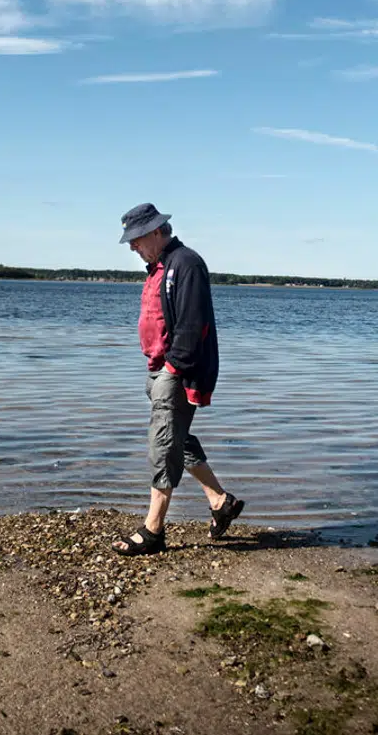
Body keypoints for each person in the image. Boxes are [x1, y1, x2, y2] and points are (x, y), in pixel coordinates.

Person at [111, 203, 244, 556]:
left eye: (136, 238)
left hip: (176, 371)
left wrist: (173, 369)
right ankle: (220, 501)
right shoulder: (157, 266)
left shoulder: (186, 263)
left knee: (162, 444)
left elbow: (192, 324)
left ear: (157, 231)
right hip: (158, 368)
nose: (131, 246)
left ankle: (153, 530)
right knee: (176, 438)